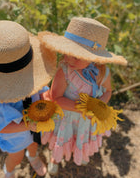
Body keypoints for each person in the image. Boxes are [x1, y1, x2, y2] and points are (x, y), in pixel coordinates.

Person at [38, 17, 127, 175]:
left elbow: (108, 91)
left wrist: (99, 106)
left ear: (93, 57)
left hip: (87, 121)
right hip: (67, 116)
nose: (68, 59)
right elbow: (56, 97)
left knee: (82, 138)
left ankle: (81, 151)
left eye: (76, 56)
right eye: (67, 53)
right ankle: (56, 158)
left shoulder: (102, 73)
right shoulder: (64, 71)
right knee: (63, 137)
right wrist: (84, 108)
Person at [0, 20, 56, 177]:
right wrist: (28, 125)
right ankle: (9, 170)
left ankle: (32, 157)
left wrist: (47, 102)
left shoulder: (33, 78)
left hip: (33, 126)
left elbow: (42, 93)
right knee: (16, 158)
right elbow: (0, 126)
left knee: (34, 145)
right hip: (14, 136)